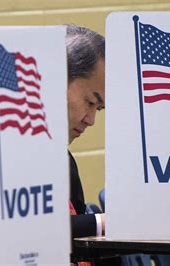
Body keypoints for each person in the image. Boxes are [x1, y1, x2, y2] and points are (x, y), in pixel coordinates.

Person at [65, 24, 106, 238]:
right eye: (90, 101)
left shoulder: (64, 161)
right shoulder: (0, 159)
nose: (91, 120)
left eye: (98, 109)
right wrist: (101, 222)